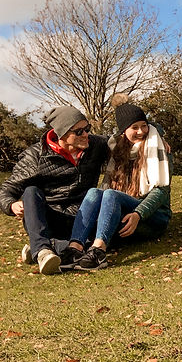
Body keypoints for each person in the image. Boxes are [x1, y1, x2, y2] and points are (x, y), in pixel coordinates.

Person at [0, 106, 110, 275]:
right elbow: (6, 190)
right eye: (79, 132)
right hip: (49, 218)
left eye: (87, 129)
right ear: (62, 134)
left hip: (83, 218)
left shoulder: (96, 145)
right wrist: (12, 205)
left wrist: (157, 136)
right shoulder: (35, 157)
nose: (86, 134)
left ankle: (43, 246)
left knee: (108, 237)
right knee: (31, 191)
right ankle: (43, 252)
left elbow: (127, 135)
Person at [66, 102, 172, 271]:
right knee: (95, 192)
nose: (141, 132)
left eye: (144, 126)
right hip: (125, 210)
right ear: (123, 130)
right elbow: (88, 139)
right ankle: (74, 248)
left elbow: (162, 191)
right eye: (134, 127)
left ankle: (99, 251)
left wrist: (138, 214)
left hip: (154, 216)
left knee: (111, 194)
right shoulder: (115, 147)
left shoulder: (158, 147)